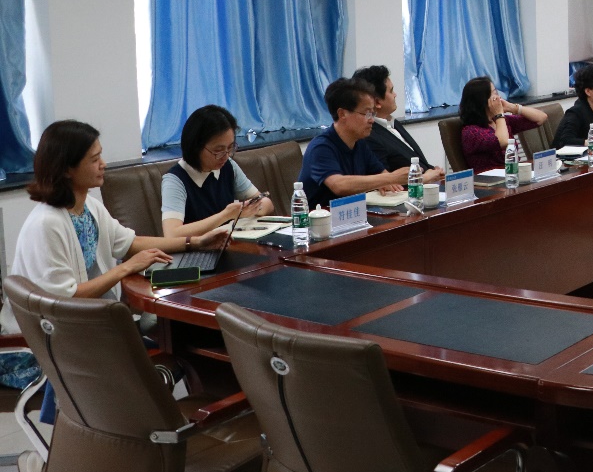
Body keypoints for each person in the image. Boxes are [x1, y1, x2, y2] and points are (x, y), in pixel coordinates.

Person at [1, 120, 228, 337]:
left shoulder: (89, 206)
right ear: (67, 169)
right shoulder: (47, 223)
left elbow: (130, 243)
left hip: (87, 323)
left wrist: (194, 242)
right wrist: (125, 268)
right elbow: (65, 298)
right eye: (94, 159)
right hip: (54, 335)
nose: (103, 164)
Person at [160, 105, 273, 238]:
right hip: (197, 250)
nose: (226, 155)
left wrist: (251, 208)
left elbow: (266, 203)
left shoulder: (228, 166)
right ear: (196, 147)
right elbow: (172, 234)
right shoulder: (175, 180)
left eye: (230, 148)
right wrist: (226, 215)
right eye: (218, 150)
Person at [298, 78, 410, 209]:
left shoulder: (360, 143)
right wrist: (391, 178)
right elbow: (339, 185)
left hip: (352, 216)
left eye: (372, 113)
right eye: (366, 113)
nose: (372, 120)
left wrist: (393, 180)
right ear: (342, 114)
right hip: (319, 219)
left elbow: (382, 175)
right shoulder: (321, 147)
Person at [353, 65, 444, 181]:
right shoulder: (370, 136)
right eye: (391, 91)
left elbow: (416, 161)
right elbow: (384, 183)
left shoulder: (393, 123)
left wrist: (433, 171)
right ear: (377, 102)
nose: (395, 95)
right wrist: (424, 178)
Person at [458, 77, 548, 174]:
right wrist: (499, 114)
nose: (499, 97)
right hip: (490, 180)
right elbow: (503, 141)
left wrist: (513, 108)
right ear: (483, 100)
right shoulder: (471, 132)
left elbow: (540, 118)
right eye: (495, 93)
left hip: (513, 174)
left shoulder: (502, 121)